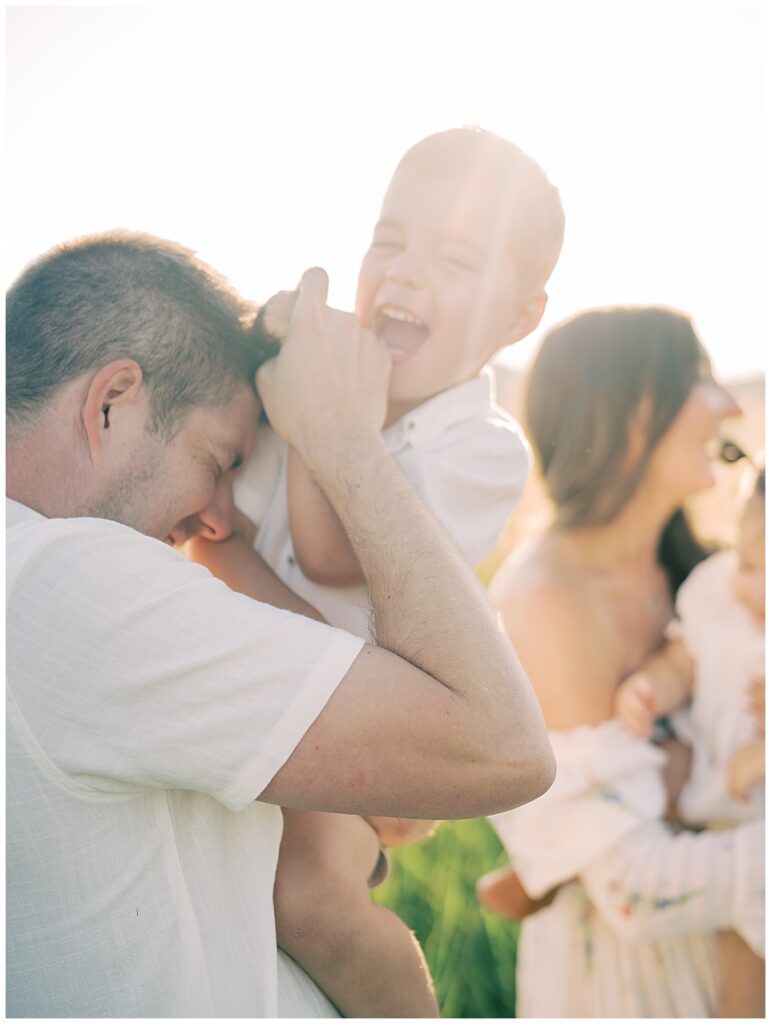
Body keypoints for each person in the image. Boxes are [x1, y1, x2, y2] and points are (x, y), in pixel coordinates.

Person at [5, 231, 555, 1019]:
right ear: (111, 403)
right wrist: (337, 435)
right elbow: (503, 748)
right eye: (219, 460)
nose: (215, 518)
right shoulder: (67, 580)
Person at [189, 126, 565, 1016]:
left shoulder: (479, 448)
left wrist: (331, 415)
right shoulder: (296, 377)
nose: (402, 274)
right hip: (236, 705)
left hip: (350, 736)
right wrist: (271, 332)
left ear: (519, 318)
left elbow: (330, 552)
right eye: (387, 242)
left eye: (455, 258)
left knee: (309, 900)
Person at [477, 307, 764, 1017]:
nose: (728, 404)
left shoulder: (708, 581)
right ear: (633, 411)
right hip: (631, 985)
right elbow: (635, 890)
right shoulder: (545, 602)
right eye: (698, 378)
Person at [614, 464, 765, 1017]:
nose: (754, 586)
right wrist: (651, 686)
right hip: (702, 787)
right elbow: (683, 658)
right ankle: (547, 877)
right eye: (749, 562)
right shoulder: (716, 595)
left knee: (747, 966)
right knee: (651, 776)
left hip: (756, 822)